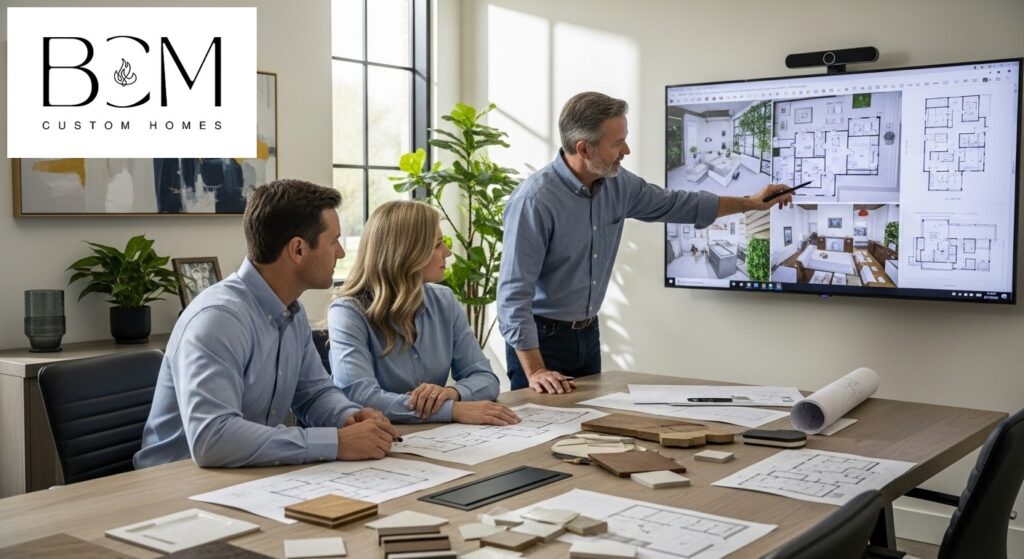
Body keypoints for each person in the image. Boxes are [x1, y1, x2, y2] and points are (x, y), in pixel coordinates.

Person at [497, 92, 794, 394]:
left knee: (591, 422)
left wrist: (750, 203)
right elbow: (513, 295)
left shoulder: (618, 184)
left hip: (587, 334)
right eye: (617, 143)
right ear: (584, 148)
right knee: (542, 422)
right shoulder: (534, 201)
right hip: (540, 343)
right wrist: (536, 370)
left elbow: (679, 203)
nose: (626, 150)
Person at [135, 179, 399, 469]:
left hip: (245, 476)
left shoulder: (292, 312)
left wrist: (348, 416)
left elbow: (314, 394)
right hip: (176, 481)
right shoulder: (218, 320)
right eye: (334, 241)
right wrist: (335, 442)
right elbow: (213, 438)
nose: (341, 253)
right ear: (298, 250)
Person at [329, 200, 520, 426]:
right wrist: (451, 410)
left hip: (434, 437)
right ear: (408, 253)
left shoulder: (444, 300)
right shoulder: (347, 312)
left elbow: (486, 378)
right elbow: (361, 397)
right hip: (375, 438)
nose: (447, 252)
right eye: (438, 245)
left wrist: (452, 393)